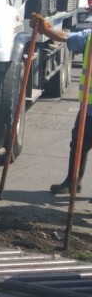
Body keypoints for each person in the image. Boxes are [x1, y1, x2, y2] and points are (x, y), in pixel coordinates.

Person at [31, 11, 91, 195]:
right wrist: (44, 29)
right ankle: (72, 182)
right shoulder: (89, 37)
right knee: (79, 144)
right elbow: (65, 36)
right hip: (89, 109)